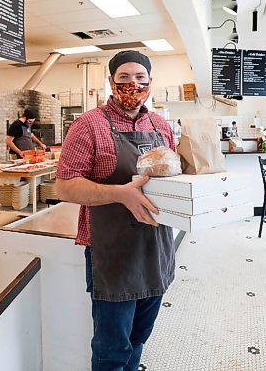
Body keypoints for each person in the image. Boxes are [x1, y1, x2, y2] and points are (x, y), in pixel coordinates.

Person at [55, 50, 176, 371]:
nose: (132, 85)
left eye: (140, 78)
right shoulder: (88, 125)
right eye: (123, 78)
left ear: (150, 82)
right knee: (111, 348)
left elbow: (174, 178)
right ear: (110, 81)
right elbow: (65, 187)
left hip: (155, 248)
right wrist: (121, 194)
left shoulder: (161, 126)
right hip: (113, 253)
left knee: (139, 338)